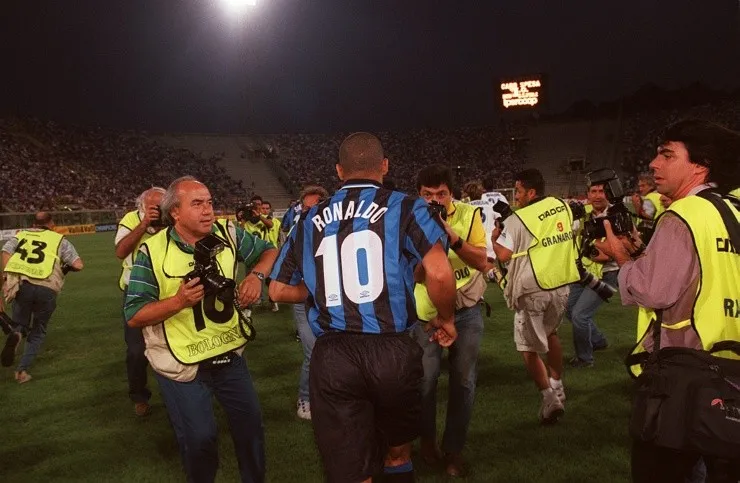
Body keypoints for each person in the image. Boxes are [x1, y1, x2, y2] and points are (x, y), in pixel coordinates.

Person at [269, 133, 458, 483]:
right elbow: (440, 273)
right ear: (384, 166)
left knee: (351, 469)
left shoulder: (307, 219)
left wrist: (324, 288)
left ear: (339, 171)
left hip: (335, 353)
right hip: (391, 348)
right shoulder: (407, 206)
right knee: (398, 453)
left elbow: (277, 290)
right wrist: (446, 318)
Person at [596, 119, 740, 482]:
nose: (653, 164)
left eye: (667, 155)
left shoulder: (684, 213)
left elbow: (653, 291)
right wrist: (642, 252)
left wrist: (622, 257)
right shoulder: (733, 208)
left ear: (700, 164)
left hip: (686, 372)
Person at [125, 176, 277, 483]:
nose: (208, 210)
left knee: (251, 428)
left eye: (209, 202)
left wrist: (256, 277)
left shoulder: (228, 233)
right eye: (196, 204)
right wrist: (178, 301)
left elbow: (269, 251)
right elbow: (135, 314)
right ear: (175, 212)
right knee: (200, 439)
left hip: (229, 352)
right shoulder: (152, 251)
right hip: (181, 362)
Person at [412, 166, 488, 477]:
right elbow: (413, 275)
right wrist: (427, 242)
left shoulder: (469, 215)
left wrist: (451, 236)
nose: (435, 200)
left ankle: (454, 450)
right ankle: (428, 443)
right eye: (427, 194)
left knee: (464, 381)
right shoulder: (410, 219)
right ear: (418, 195)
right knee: (424, 382)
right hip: (427, 314)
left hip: (466, 310)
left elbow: (481, 261)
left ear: (452, 194)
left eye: (441, 193)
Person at [492, 169, 580, 424]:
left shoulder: (517, 219)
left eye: (519, 191)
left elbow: (504, 255)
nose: (516, 197)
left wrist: (495, 239)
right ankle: (558, 385)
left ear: (531, 192)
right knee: (552, 334)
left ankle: (549, 398)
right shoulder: (561, 205)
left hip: (533, 289)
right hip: (560, 284)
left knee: (528, 348)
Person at [1, 212, 84, 383]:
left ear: (34, 224)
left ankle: (17, 334)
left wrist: (7, 274)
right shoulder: (59, 240)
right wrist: (65, 268)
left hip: (23, 285)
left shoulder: (21, 235)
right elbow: (78, 264)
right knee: (38, 330)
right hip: (47, 287)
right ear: (51, 223)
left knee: (20, 324)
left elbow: (5, 251)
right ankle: (21, 371)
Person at [114, 187, 166, 416]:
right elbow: (120, 251)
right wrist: (144, 224)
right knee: (136, 351)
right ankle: (139, 396)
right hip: (136, 293)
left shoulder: (172, 219)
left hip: (167, 291)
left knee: (171, 345)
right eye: (153, 207)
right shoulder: (131, 220)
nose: (158, 211)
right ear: (141, 207)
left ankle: (177, 392)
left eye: (162, 206)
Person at [286, 185, 329, 421]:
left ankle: (328, 394)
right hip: (305, 300)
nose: (310, 212)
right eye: (306, 208)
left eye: (316, 207)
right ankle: (305, 397)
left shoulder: (337, 230)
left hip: (329, 300)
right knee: (313, 352)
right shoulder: (298, 232)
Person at [565, 182, 618, 368]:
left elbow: (612, 253)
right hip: (583, 272)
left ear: (608, 194)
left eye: (601, 191)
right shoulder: (583, 214)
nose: (597, 195)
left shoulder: (616, 215)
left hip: (607, 274)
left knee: (580, 315)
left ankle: (584, 358)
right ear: (587, 194)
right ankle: (598, 340)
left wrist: (590, 250)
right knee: (568, 309)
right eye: (593, 191)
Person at [467, 179, 510, 283]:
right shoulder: (489, 205)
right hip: (490, 238)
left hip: (475, 240)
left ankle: (487, 279)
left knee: (475, 266)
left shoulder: (466, 207)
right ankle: (498, 278)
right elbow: (500, 219)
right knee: (488, 264)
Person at [629, 172, 664, 244]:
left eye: (643, 186)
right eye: (639, 186)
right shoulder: (658, 195)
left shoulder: (650, 198)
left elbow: (647, 217)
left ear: (651, 186)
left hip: (649, 233)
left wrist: (636, 206)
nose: (640, 189)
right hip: (659, 230)